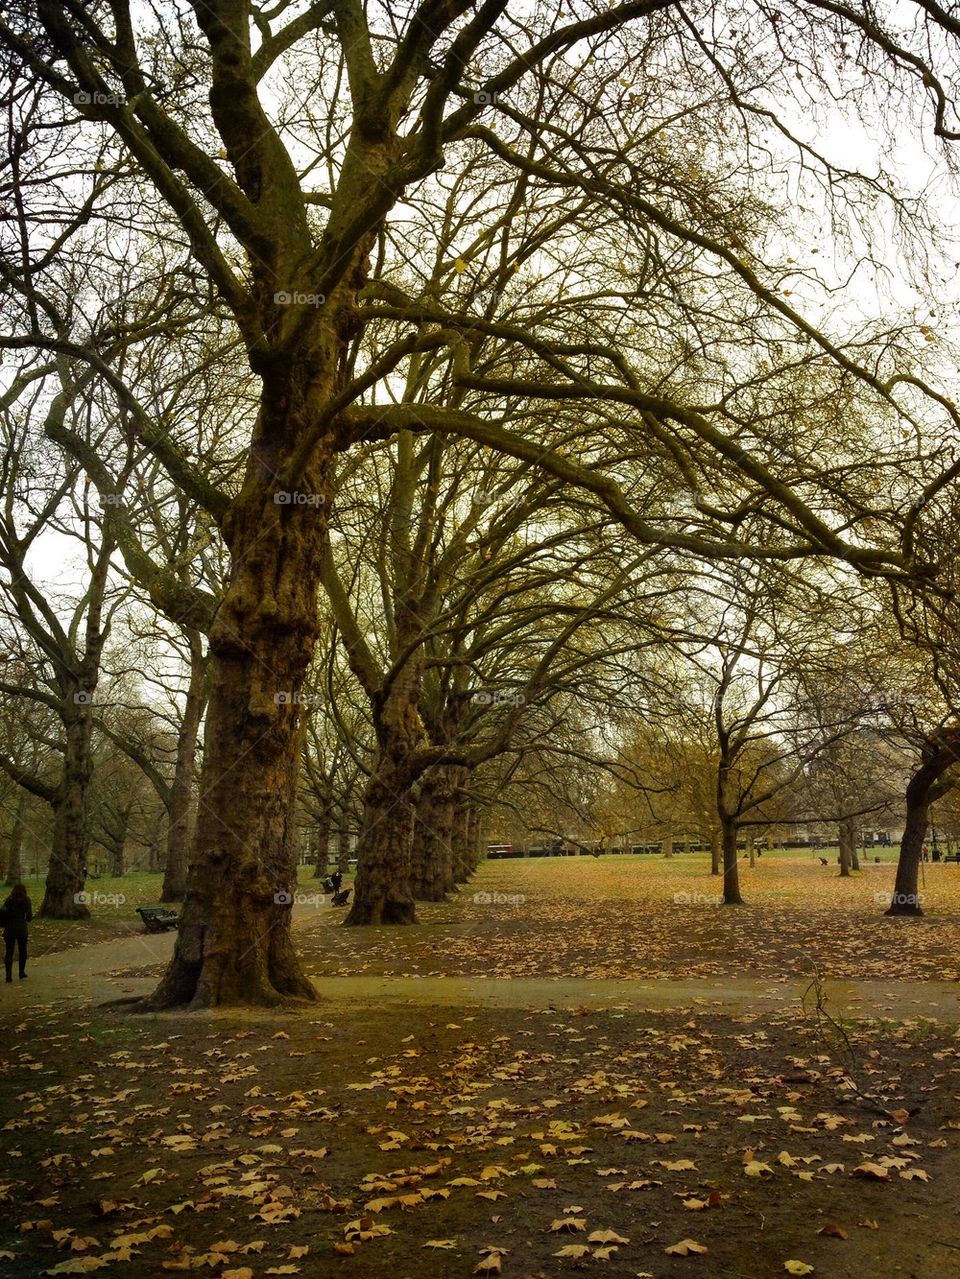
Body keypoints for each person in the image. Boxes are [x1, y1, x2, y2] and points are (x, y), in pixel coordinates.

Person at [2, 883, 33, 982]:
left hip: (10, 928)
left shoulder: (9, 900)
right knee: (22, 951)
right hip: (21, 928)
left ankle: (8, 975)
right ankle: (21, 972)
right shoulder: (27, 900)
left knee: (9, 952)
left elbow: (3, 913)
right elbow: (29, 918)